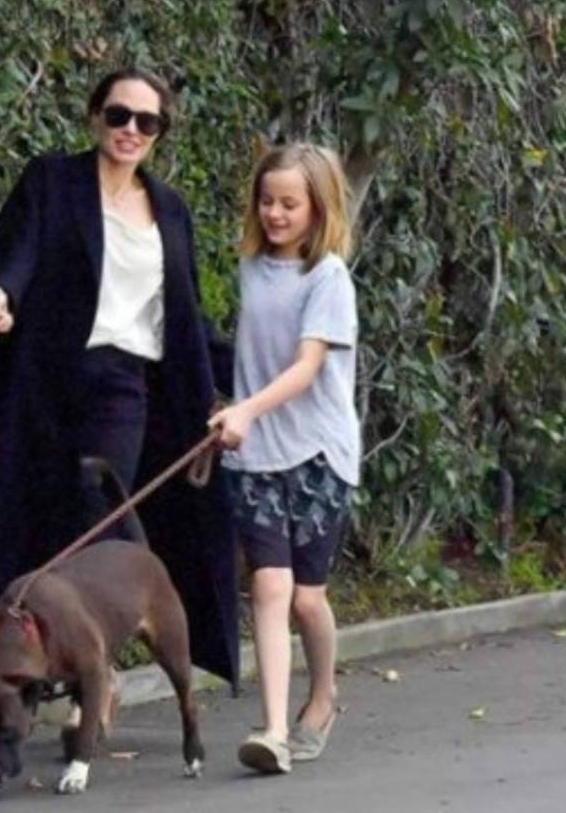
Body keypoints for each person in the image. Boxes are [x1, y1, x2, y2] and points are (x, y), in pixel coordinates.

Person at [0, 68, 240, 687]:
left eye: (147, 122)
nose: (131, 130)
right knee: (33, 515)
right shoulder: (53, 180)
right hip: (46, 380)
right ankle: (19, 663)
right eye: (119, 115)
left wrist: (258, 376)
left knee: (96, 513)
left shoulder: (169, 210)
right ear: (96, 116)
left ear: (160, 132)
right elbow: (18, 252)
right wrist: (4, 295)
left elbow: (184, 312)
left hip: (122, 387)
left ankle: (91, 666)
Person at [208, 142, 359, 774]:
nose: (275, 213)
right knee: (270, 585)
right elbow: (246, 354)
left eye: (289, 204)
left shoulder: (327, 277)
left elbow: (306, 367)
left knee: (306, 600)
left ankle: (322, 698)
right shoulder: (249, 268)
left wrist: (246, 408)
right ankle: (272, 730)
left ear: (318, 208)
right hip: (256, 454)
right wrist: (229, 409)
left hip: (319, 452)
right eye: (267, 201)